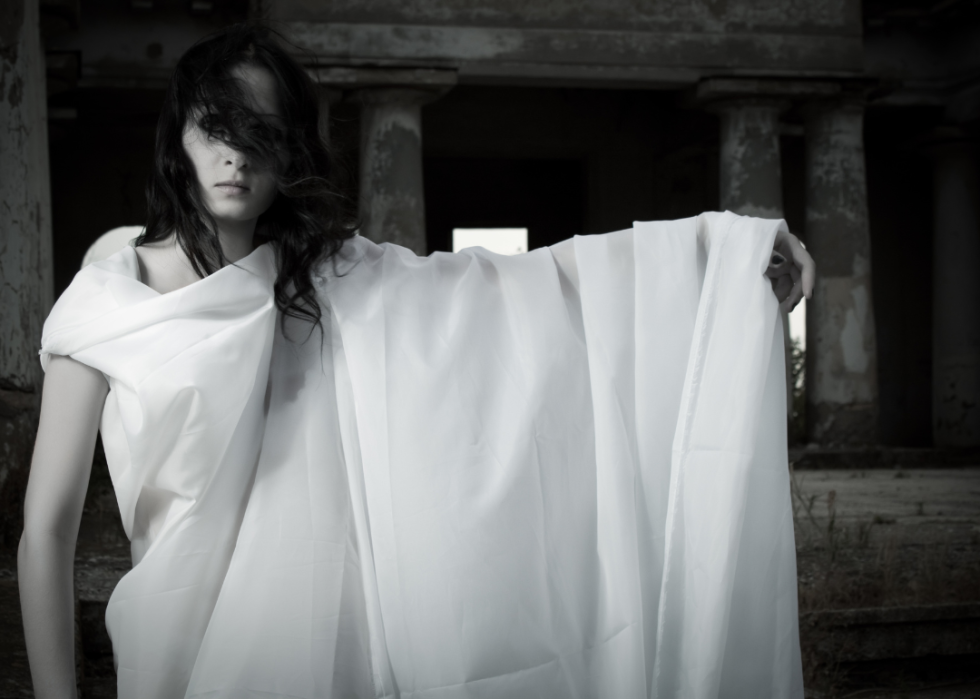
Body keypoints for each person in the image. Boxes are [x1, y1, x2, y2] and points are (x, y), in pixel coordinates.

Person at [19, 23, 813, 699]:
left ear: (292, 150)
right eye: (215, 127)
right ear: (178, 140)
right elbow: (46, 531)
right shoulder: (105, 305)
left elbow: (517, 286)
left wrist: (722, 249)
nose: (236, 156)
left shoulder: (329, 280)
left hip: (327, 646)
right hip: (173, 632)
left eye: (262, 134)